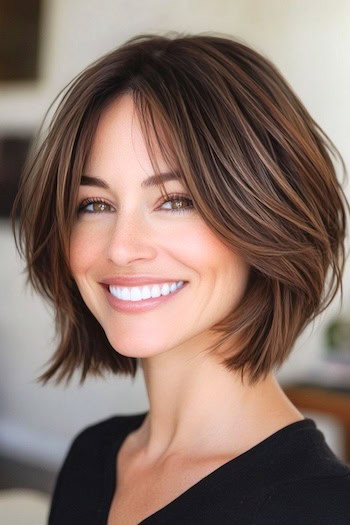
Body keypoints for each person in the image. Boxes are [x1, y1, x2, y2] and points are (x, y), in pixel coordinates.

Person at [13, 33, 350, 524]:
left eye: (175, 201)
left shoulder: (322, 510)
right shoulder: (93, 457)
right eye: (95, 204)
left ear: (266, 215)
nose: (122, 246)